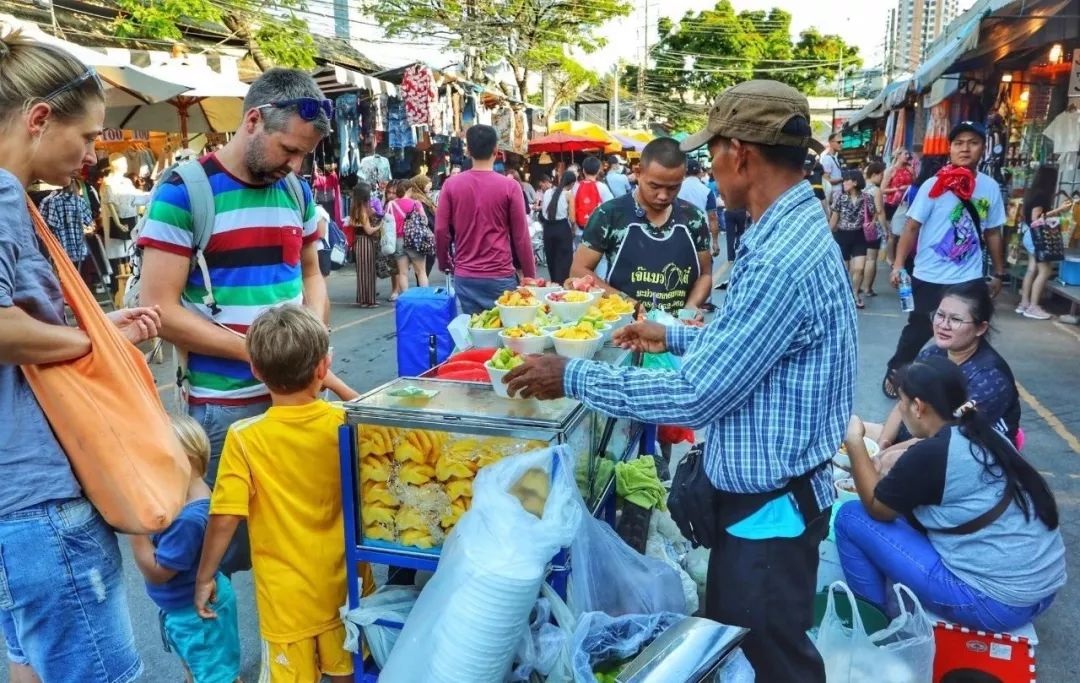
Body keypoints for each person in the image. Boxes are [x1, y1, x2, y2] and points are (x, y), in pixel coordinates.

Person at [505, 81, 857, 681]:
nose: (707, 170)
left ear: (739, 153)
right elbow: (758, 347)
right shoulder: (788, 231)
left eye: (711, 154)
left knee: (769, 659)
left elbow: (698, 395)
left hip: (769, 515)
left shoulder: (779, 257)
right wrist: (673, 336)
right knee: (756, 651)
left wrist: (574, 375)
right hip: (775, 500)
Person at [138, 68, 356, 575]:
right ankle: (222, 648)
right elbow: (161, 309)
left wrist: (312, 336)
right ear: (253, 120)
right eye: (288, 149)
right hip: (223, 410)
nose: (295, 164)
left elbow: (310, 272)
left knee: (295, 538)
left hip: (298, 401)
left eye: (304, 154)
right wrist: (269, 355)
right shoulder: (183, 191)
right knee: (220, 553)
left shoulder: (296, 193)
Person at [0, 30, 163, 682]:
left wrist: (93, 323)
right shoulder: (7, 194)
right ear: (39, 118)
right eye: (90, 137)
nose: (94, 155)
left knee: (30, 664)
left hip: (16, 501)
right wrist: (96, 341)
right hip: (42, 499)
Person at [194, 305, 374, 683]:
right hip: (346, 586)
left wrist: (204, 576)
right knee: (346, 671)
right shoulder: (344, 422)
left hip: (286, 601)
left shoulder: (245, 438)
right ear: (323, 367)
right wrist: (335, 384)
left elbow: (225, 516)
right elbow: (373, 413)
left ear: (256, 370)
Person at [836, 356, 1065, 632]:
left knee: (851, 518)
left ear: (918, 406)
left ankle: (869, 627)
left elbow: (876, 507)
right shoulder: (980, 432)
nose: (900, 408)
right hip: (1041, 590)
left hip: (993, 603)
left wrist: (854, 440)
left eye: (901, 402)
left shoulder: (933, 455)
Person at [885, 121, 1007, 399]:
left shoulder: (989, 188)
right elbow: (912, 227)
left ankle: (963, 381)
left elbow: (993, 232)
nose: (965, 148)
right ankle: (896, 371)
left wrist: (999, 273)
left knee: (969, 332)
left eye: (973, 142)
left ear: (983, 148)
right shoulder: (933, 185)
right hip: (929, 275)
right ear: (950, 149)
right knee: (919, 329)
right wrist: (898, 264)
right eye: (958, 143)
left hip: (969, 276)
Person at [861, 281, 1021, 474]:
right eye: (940, 315)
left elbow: (945, 434)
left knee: (886, 464)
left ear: (980, 328)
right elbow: (903, 402)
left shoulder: (990, 379)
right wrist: (881, 446)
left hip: (967, 456)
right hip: (918, 434)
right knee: (850, 432)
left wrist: (883, 457)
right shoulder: (933, 353)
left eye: (955, 319)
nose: (943, 325)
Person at [129, 414, 241, 683]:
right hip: (189, 609)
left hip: (194, 616)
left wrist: (135, 529)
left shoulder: (188, 520)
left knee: (214, 675)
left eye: (153, 460)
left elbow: (158, 573)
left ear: (186, 460)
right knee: (208, 669)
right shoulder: (193, 492)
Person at [570, 138, 713, 314]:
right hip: (625, 328)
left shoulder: (693, 218)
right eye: (655, 186)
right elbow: (578, 270)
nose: (663, 196)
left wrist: (692, 305)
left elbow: (705, 274)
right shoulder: (610, 215)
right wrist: (627, 303)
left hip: (677, 330)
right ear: (638, 173)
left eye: (673, 188)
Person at [435, 124, 535, 314]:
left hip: (465, 276)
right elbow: (521, 237)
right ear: (496, 151)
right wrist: (530, 275)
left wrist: (444, 262)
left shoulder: (451, 185)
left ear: (468, 150)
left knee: (471, 336)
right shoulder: (510, 187)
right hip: (500, 276)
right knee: (506, 335)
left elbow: (441, 230)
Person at [1017, 168, 1069, 320]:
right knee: (1045, 271)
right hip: (1036, 236)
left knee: (1031, 269)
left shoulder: (1032, 193)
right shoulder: (1040, 196)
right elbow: (1037, 218)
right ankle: (1033, 307)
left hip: (1028, 234)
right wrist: (1061, 209)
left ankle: (1024, 303)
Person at [829, 169, 874, 308]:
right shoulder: (839, 197)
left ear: (855, 182)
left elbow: (873, 214)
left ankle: (854, 294)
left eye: (846, 180)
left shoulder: (867, 197)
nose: (844, 182)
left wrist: (873, 223)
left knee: (859, 268)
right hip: (842, 235)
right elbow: (834, 218)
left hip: (859, 236)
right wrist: (827, 236)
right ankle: (843, 295)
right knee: (844, 270)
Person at [387, 180, 429, 292]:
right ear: (409, 190)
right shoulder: (416, 203)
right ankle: (424, 297)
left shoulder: (390, 204)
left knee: (402, 273)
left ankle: (406, 298)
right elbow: (425, 221)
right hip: (415, 240)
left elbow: (386, 222)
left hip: (398, 240)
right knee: (421, 272)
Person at [39, 178, 93, 266]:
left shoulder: (54, 202)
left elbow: (52, 223)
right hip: (77, 247)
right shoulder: (79, 201)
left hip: (65, 247)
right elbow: (89, 221)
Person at [679, 159, 721, 262]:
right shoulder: (707, 191)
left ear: (684, 172)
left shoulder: (676, 190)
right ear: (699, 172)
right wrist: (715, 242)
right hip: (702, 237)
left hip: (680, 235)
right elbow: (712, 218)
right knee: (705, 271)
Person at [541, 170, 577, 285]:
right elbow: (572, 218)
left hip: (548, 229)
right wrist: (573, 229)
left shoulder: (547, 192)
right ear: (572, 184)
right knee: (564, 260)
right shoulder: (568, 194)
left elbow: (543, 212)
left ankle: (554, 284)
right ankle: (562, 286)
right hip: (562, 229)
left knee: (551, 258)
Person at [351, 182, 380, 308]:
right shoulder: (363, 211)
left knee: (361, 272)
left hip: (358, 242)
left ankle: (363, 299)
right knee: (369, 271)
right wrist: (379, 226)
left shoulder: (354, 208)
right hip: (365, 242)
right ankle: (370, 300)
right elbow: (368, 230)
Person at [861, 161, 887, 299]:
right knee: (871, 259)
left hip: (858, 227)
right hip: (872, 228)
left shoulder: (859, 187)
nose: (883, 177)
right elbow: (880, 211)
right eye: (881, 174)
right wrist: (885, 229)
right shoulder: (875, 190)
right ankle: (867, 288)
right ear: (875, 174)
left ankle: (856, 286)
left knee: (859, 258)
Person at [573, 156, 614, 232]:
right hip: (597, 229)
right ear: (598, 171)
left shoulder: (575, 186)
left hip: (579, 228)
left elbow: (572, 207)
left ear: (583, 170)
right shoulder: (602, 187)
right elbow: (610, 207)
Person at [409, 173, 438, 278]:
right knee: (426, 261)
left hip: (426, 233)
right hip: (425, 234)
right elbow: (426, 217)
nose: (429, 185)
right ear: (420, 184)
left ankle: (422, 283)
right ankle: (422, 285)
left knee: (425, 262)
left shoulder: (423, 197)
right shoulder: (418, 199)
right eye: (427, 183)